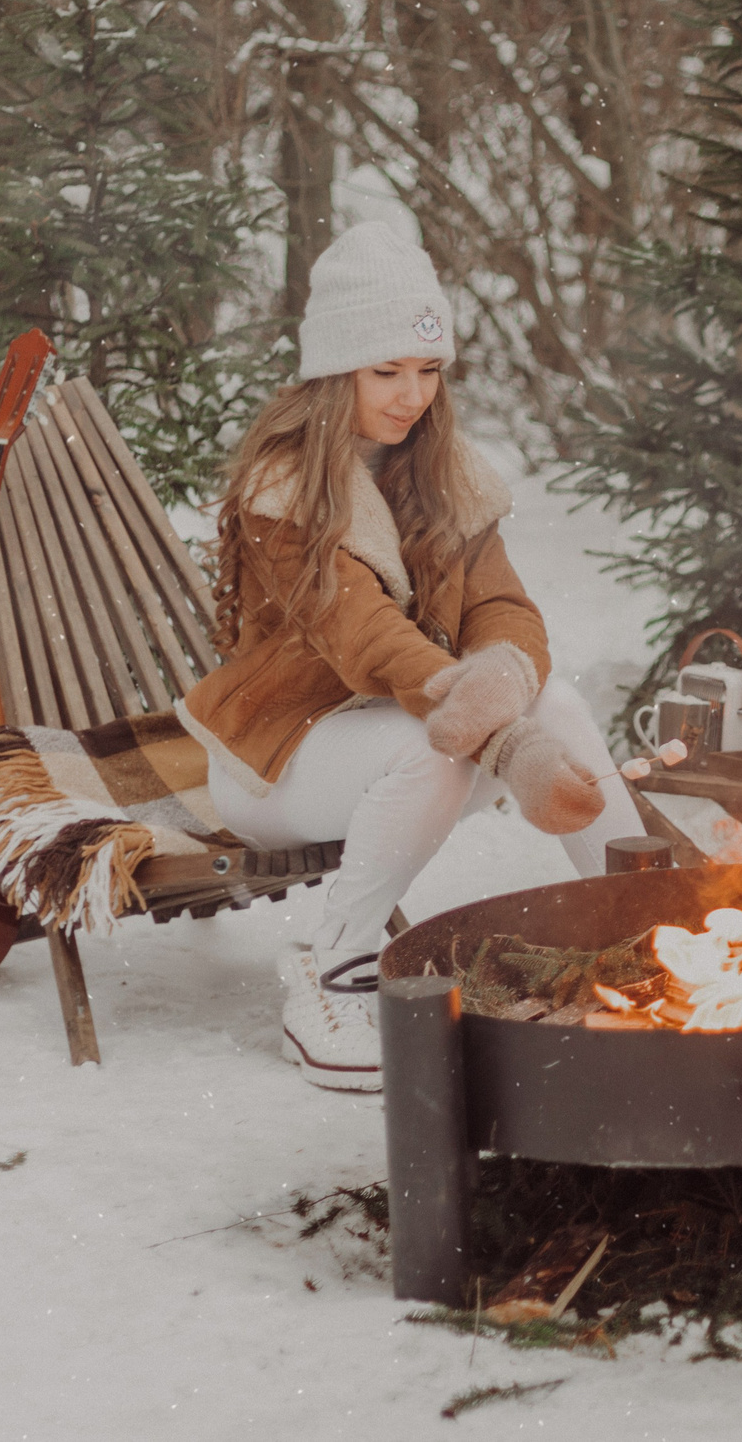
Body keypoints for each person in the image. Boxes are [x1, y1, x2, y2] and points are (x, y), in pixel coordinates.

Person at [179, 223, 634, 1091]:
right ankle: (335, 967)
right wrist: (488, 725)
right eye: (385, 370)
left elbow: (505, 604)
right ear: (335, 371)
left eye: (427, 370)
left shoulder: (443, 470)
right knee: (426, 746)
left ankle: (647, 920)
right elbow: (365, 639)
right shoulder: (286, 488)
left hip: (408, 729)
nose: (411, 394)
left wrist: (503, 672)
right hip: (280, 759)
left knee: (562, 706)